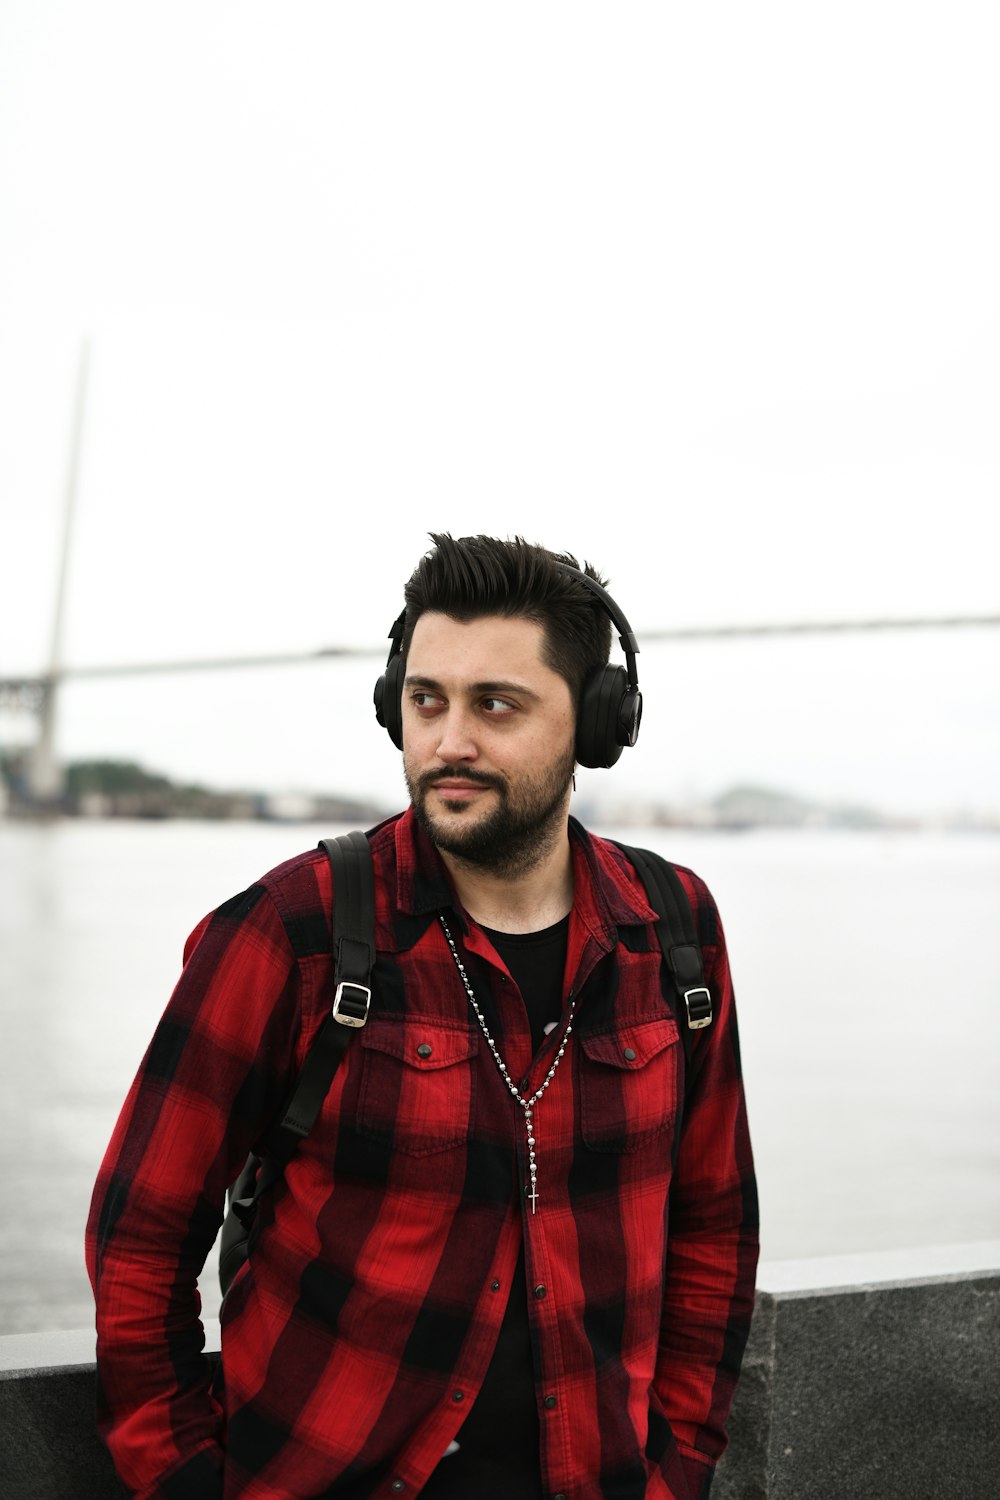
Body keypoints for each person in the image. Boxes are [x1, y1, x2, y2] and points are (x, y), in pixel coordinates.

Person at [87, 534, 758, 1500]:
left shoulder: (676, 931)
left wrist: (680, 1467)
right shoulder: (293, 930)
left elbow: (716, 1228)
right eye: (426, 700)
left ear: (598, 724)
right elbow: (138, 1244)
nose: (448, 742)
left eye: (496, 705)